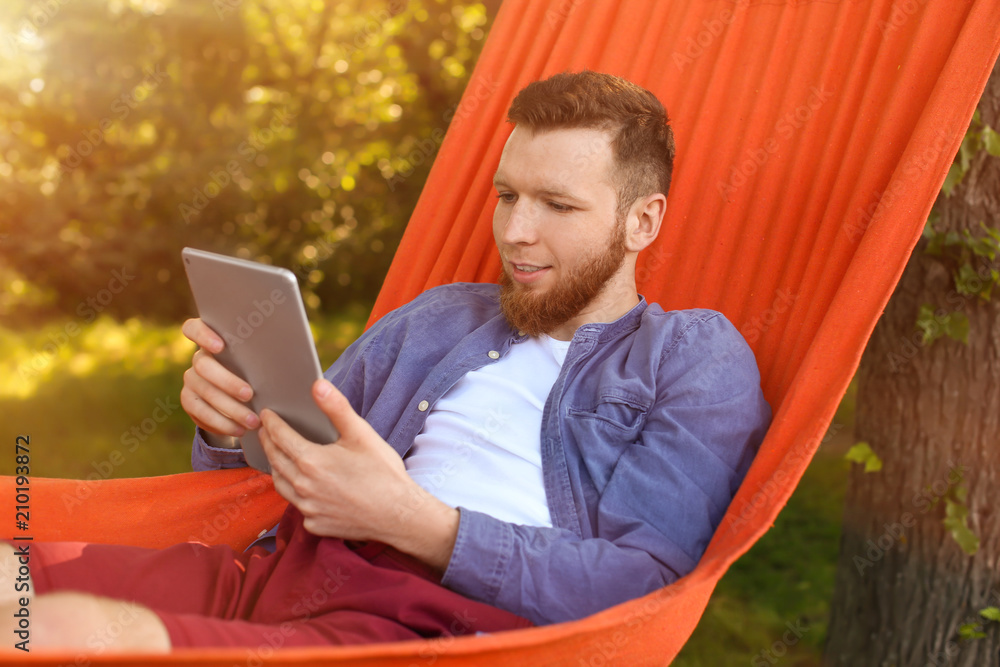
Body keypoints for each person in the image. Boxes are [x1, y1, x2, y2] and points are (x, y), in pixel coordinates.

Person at [0, 70, 770, 652]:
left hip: (423, 629)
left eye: (558, 206)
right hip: (279, 572)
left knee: (52, 631)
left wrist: (421, 525)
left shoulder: (692, 356)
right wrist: (231, 421)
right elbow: (268, 474)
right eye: (507, 195)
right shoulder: (441, 317)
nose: (517, 232)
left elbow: (645, 587)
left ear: (643, 219)